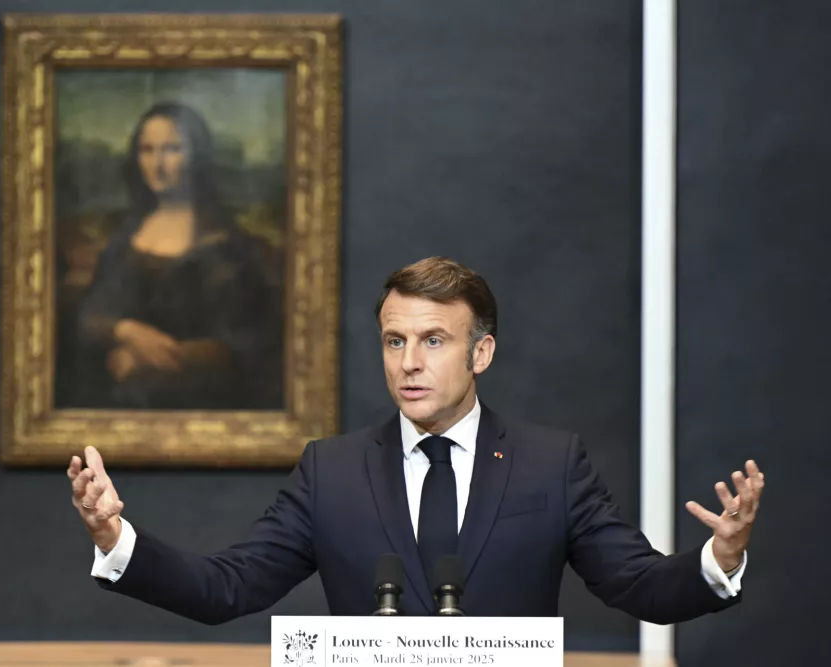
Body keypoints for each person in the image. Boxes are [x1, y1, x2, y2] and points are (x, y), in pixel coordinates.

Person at [67, 257, 765, 621]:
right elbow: (227, 587)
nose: (409, 361)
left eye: (434, 340)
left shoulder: (551, 466)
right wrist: (115, 539)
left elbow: (640, 585)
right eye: (395, 340)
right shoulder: (330, 471)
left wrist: (719, 555)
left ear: (480, 352)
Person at [73, 101, 282, 410]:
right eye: (147, 150)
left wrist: (155, 358)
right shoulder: (123, 238)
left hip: (205, 405)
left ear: (196, 156)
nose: (158, 164)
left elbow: (245, 344)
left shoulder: (226, 246)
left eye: (172, 149)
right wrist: (126, 331)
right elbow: (90, 316)